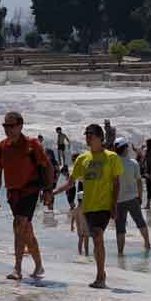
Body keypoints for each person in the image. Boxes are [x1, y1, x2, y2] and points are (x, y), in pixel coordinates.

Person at [53, 123, 122, 288]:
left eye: (91, 135)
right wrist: (53, 193)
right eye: (86, 135)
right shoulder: (82, 159)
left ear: (100, 137)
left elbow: (116, 183)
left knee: (97, 235)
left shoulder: (112, 157)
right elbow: (70, 183)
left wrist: (114, 204)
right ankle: (101, 272)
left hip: (104, 206)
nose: (88, 138)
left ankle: (100, 277)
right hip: (88, 207)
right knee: (95, 239)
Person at [0, 111, 54, 281]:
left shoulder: (32, 144)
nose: (8, 129)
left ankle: (17, 269)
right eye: (5, 126)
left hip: (30, 190)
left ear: (20, 126)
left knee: (18, 224)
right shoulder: (2, 146)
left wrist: (48, 190)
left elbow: (47, 167)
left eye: (11, 126)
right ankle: (39, 265)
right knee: (26, 231)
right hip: (13, 193)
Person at [113, 137, 151, 255]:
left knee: (120, 228)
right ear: (125, 148)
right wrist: (140, 197)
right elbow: (139, 182)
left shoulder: (112, 164)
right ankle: (147, 243)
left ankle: (120, 252)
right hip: (132, 198)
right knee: (140, 222)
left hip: (118, 201)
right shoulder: (133, 163)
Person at [70, 191, 89, 256]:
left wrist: (72, 226)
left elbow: (73, 218)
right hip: (86, 226)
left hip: (79, 227)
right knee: (86, 240)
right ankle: (86, 253)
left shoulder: (75, 209)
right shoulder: (86, 208)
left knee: (80, 239)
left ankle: (80, 253)